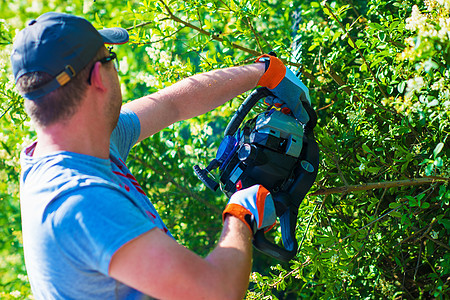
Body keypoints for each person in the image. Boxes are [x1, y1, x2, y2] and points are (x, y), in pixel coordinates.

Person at [11, 12, 311, 300]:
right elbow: (216, 292)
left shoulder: (83, 140)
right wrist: (241, 215)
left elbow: (172, 104)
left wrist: (265, 74)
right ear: (98, 78)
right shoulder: (80, 201)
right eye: (110, 57)